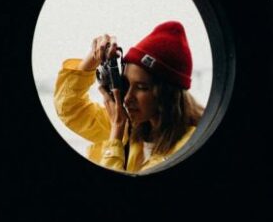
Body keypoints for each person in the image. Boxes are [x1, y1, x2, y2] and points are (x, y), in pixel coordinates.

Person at [54, 21, 204, 173]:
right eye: (126, 84)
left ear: (167, 95)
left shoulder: (189, 146)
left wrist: (116, 136)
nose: (127, 98)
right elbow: (69, 107)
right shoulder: (130, 126)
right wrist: (94, 58)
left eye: (141, 87)